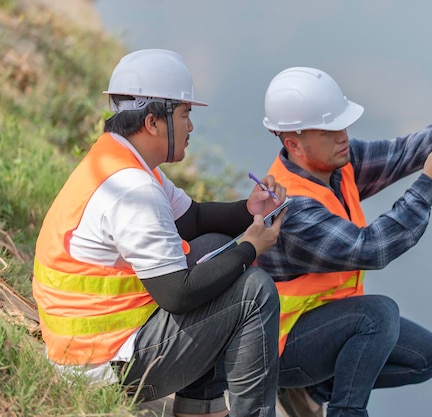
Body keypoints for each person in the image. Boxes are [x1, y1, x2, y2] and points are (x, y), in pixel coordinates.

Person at [32, 49, 288, 417]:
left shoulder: (118, 160)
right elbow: (177, 295)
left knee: (213, 247)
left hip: (87, 344)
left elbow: (194, 219)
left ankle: (200, 409)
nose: (191, 127)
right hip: (99, 364)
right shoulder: (134, 189)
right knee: (254, 293)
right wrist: (250, 246)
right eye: (185, 115)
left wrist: (249, 211)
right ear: (153, 122)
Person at [256, 66, 432, 417]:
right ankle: (342, 410)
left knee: (425, 356)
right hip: (281, 345)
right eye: (329, 131)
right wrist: (429, 184)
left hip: (326, 323)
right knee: (377, 314)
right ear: (294, 144)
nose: (343, 136)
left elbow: (399, 153)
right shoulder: (290, 207)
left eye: (342, 125)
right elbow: (371, 249)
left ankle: (311, 388)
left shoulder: (336, 163)